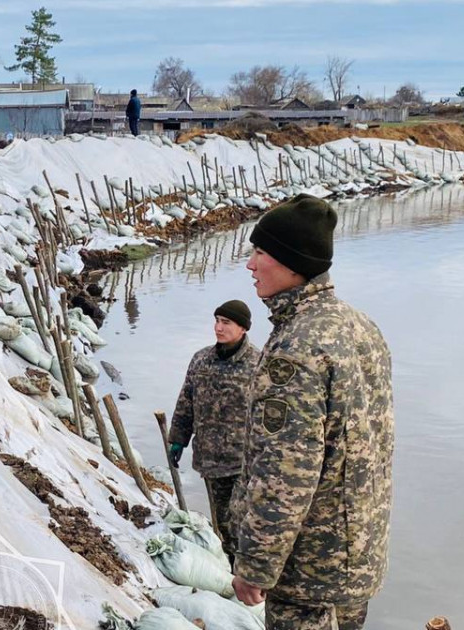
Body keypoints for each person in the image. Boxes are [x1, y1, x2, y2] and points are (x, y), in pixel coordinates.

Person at [231, 194, 394, 630]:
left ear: (292, 262)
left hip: (308, 570)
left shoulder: (296, 348)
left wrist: (256, 565)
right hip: (357, 554)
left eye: (259, 253)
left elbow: (287, 472)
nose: (249, 264)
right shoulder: (360, 326)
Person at [167, 299, 259, 566]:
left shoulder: (257, 364)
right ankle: (230, 572)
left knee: (242, 522)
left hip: (243, 462)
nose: (218, 327)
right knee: (221, 521)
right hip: (209, 457)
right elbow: (186, 401)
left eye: (226, 322)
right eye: (217, 320)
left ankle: (248, 576)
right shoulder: (201, 359)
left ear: (242, 328)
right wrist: (178, 440)